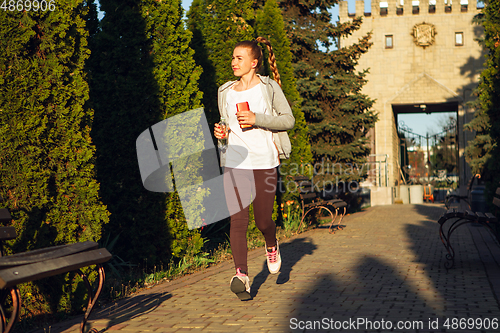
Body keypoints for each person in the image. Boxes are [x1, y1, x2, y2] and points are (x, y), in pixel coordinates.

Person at [213, 37, 295, 301]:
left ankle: (271, 244)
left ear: (254, 63)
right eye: (233, 57)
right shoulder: (225, 91)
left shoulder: (268, 88)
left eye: (239, 58)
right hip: (235, 163)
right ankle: (242, 276)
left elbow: (288, 121)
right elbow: (226, 126)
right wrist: (221, 133)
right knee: (237, 222)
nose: (233, 62)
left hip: (264, 162)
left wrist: (257, 119)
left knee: (262, 221)